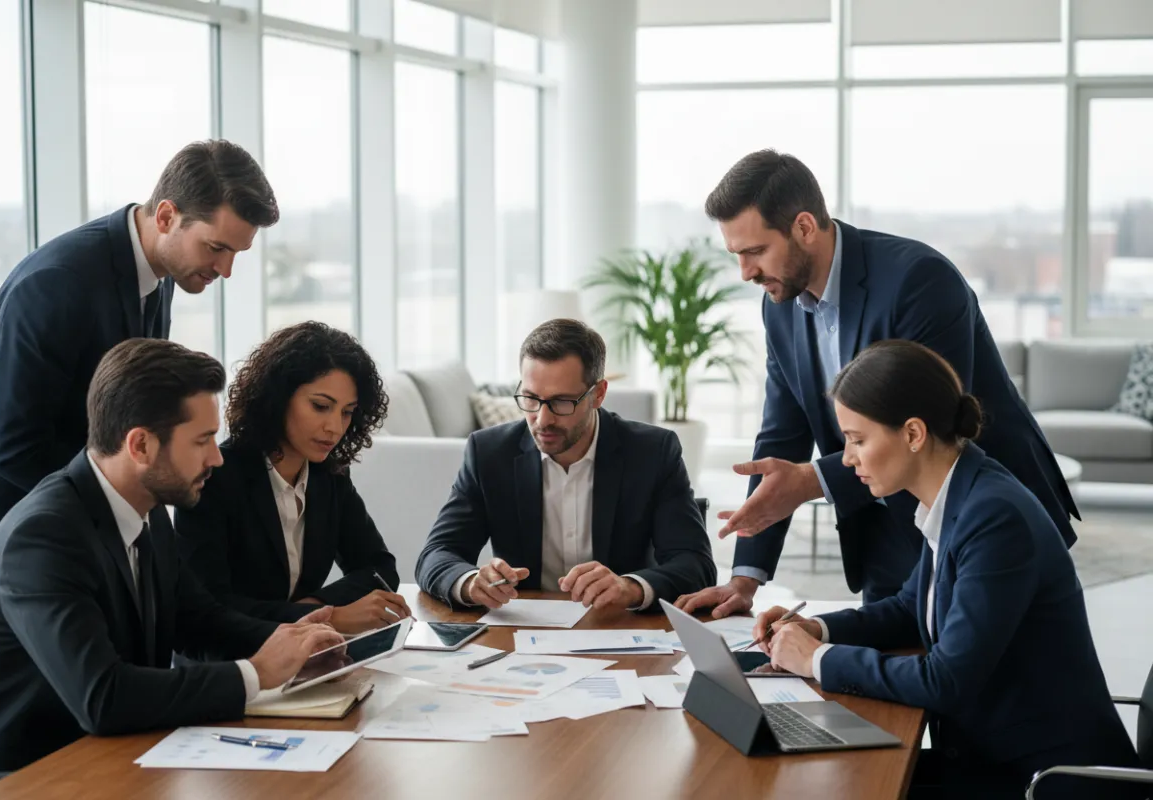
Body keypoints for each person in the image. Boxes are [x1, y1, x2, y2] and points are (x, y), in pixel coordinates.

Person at [676, 149, 1076, 616]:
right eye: (736, 255)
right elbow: (782, 435)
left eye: (755, 251)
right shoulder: (779, 307)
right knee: (881, 675)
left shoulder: (918, 280)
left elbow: (928, 428)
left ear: (804, 227)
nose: (745, 272)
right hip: (883, 527)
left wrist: (811, 481)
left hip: (987, 523)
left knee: (979, 683)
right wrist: (746, 578)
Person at [751, 341, 1137, 799]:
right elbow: (906, 607)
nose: (848, 458)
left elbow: (946, 679)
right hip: (987, 759)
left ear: (913, 434)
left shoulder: (994, 517)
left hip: (1044, 781)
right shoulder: (961, 497)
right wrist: (815, 628)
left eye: (857, 440)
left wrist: (813, 659)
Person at [0, 339, 342, 773]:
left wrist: (288, 638)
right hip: (27, 776)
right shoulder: (43, 538)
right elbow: (103, 697)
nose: (217, 457)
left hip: (114, 756)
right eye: (203, 440)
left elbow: (198, 620)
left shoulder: (148, 511)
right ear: (140, 446)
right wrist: (255, 673)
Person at [0, 139, 279, 626]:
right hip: (12, 532)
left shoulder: (162, 273)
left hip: (79, 524)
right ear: (166, 216)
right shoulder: (55, 285)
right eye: (216, 248)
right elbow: (13, 447)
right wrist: (121, 511)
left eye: (236, 252)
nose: (226, 270)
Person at [415, 319, 716, 611]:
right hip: (523, 634)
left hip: (620, 629)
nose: (543, 420)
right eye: (531, 399)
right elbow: (436, 554)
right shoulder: (489, 453)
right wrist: (470, 582)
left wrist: (631, 588)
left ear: (598, 394)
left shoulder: (652, 452)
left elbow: (695, 565)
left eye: (562, 402)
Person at [175, 321, 411, 635]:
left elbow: (379, 568)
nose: (335, 428)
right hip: (231, 665)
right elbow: (208, 608)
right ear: (279, 397)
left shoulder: (329, 474)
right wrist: (327, 617)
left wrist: (314, 609)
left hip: (305, 654)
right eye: (321, 406)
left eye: (347, 411)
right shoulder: (215, 476)